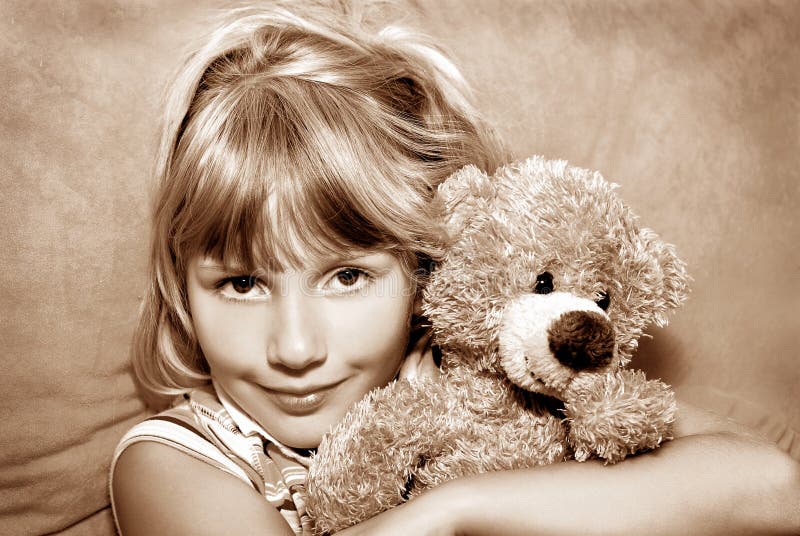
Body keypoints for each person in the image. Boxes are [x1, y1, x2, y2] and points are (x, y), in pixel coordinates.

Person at [111, 2, 800, 535]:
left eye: (347, 277)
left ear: (423, 269)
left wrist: (452, 510)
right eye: (241, 284)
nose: (295, 348)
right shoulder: (173, 460)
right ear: (183, 285)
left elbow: (770, 486)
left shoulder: (494, 377)